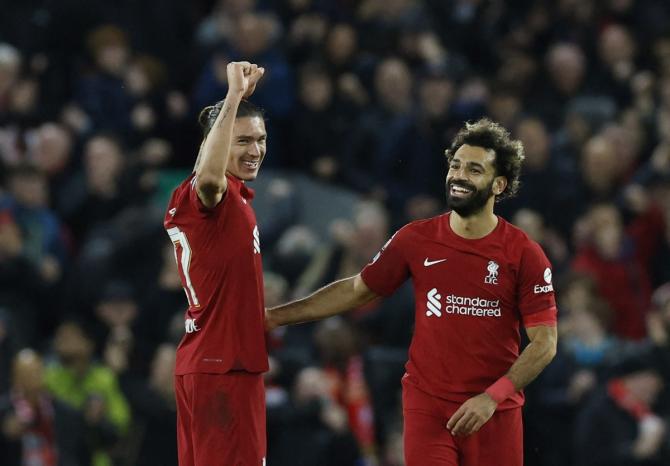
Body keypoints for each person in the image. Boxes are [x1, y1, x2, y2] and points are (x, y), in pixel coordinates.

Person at [266, 119, 559, 466]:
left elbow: (545, 343)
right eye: (455, 165)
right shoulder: (415, 239)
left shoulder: (523, 253)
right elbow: (358, 289)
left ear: (499, 184)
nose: (459, 175)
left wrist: (492, 397)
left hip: (494, 411)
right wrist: (273, 316)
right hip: (428, 405)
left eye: (474, 169)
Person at [163, 61, 268, 466]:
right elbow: (209, 177)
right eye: (242, 140)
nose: (255, 149)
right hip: (224, 368)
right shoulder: (211, 198)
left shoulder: (227, 200)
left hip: (207, 364)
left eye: (260, 139)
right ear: (217, 143)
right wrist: (234, 96)